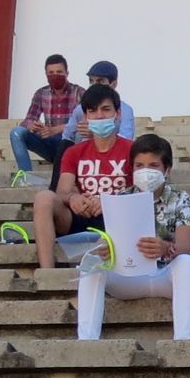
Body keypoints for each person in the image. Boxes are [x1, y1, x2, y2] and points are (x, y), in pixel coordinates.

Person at [78, 133, 190, 343]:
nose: (146, 172)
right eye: (139, 165)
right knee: (92, 262)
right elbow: (106, 239)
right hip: (128, 276)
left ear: (167, 169)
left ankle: (183, 341)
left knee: (187, 263)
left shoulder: (181, 199)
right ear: (132, 169)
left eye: (153, 165)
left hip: (165, 275)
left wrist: (165, 248)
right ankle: (87, 341)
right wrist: (104, 249)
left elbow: (185, 246)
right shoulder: (120, 198)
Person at [33, 83, 134, 269]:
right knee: (43, 198)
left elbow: (143, 194)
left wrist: (109, 201)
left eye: (106, 109)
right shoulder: (73, 152)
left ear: (117, 113)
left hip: (118, 218)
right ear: (86, 116)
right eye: (93, 111)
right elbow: (62, 191)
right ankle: (46, 274)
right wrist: (73, 198)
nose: (100, 115)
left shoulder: (132, 150)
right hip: (81, 215)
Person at [9, 54, 80, 185]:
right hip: (48, 141)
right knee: (16, 132)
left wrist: (57, 129)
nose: (55, 75)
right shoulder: (41, 93)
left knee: (70, 137)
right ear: (46, 75)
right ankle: (25, 176)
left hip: (70, 143)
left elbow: (84, 123)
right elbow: (28, 119)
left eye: (59, 72)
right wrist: (33, 126)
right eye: (51, 73)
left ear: (67, 73)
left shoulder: (79, 93)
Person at [84, 60, 138, 141]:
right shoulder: (80, 108)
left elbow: (126, 137)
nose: (94, 85)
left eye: (100, 81)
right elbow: (68, 136)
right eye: (91, 81)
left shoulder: (125, 110)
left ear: (114, 84)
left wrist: (96, 135)